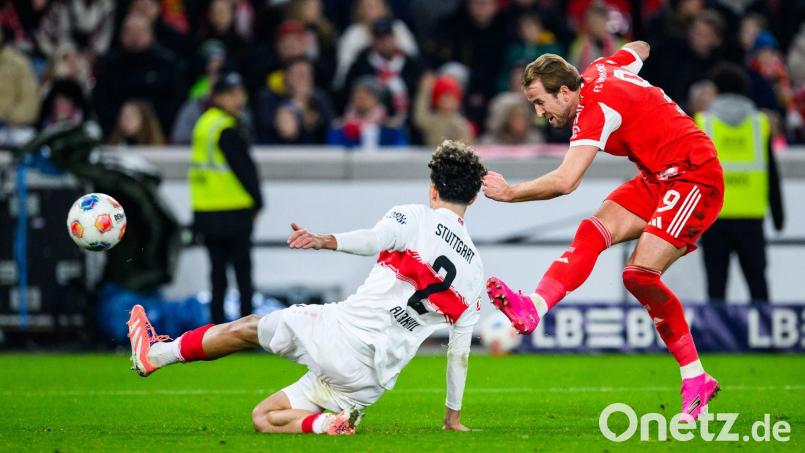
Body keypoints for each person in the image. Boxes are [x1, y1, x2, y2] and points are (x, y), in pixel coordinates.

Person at [127, 140, 488, 435]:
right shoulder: (473, 269)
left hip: (341, 337)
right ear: (473, 199)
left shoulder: (414, 216)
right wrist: (451, 418)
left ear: (433, 189)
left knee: (249, 328)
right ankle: (326, 424)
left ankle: (156, 356)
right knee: (264, 417)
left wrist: (326, 240)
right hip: (368, 384)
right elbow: (459, 353)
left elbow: (372, 239)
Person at [481, 42, 724, 420]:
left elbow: (565, 181)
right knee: (592, 231)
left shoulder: (593, 110)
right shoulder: (600, 68)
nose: (538, 112)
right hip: (658, 177)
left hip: (694, 177)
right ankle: (534, 306)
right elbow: (639, 48)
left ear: (565, 91)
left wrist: (510, 192)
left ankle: (695, 378)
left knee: (638, 275)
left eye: (540, 102)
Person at [696, 63, 784, 302]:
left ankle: (715, 338)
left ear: (716, 90)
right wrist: (778, 216)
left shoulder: (703, 123)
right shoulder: (760, 123)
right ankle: (765, 336)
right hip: (751, 217)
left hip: (714, 217)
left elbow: (690, 174)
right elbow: (772, 173)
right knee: (758, 284)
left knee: (716, 287)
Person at [189, 72, 262, 325]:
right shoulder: (226, 127)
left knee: (217, 276)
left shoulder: (204, 124)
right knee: (243, 276)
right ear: (221, 96)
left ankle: (216, 329)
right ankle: (245, 329)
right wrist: (258, 201)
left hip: (207, 211)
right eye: (235, 94)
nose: (240, 99)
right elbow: (245, 168)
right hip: (233, 211)